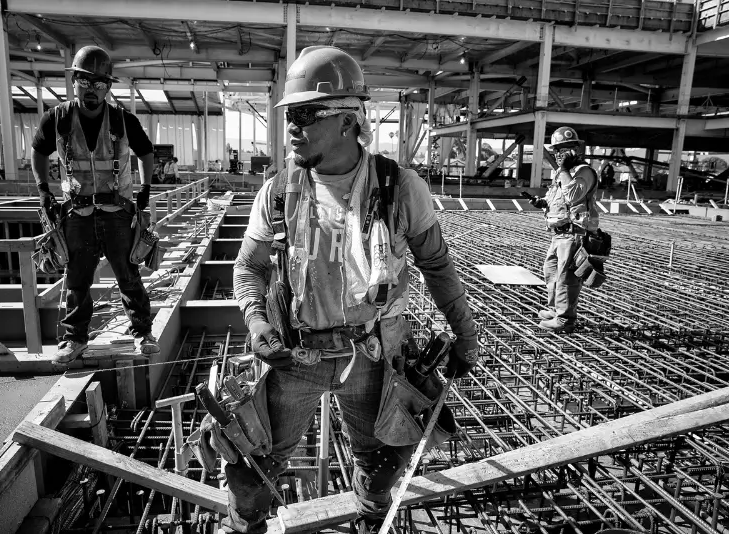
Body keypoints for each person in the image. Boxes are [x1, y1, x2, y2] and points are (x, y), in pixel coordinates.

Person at [230, 46, 479, 534]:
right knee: (249, 468)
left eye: (305, 115)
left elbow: (437, 265)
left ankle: (370, 521)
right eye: (289, 116)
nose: (292, 129)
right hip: (296, 355)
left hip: (371, 353)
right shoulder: (279, 191)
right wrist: (257, 321)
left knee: (380, 464)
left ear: (348, 119)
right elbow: (248, 268)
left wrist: (465, 334)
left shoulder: (399, 188)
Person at [31, 45, 160, 363]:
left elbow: (145, 152)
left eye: (100, 83)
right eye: (86, 82)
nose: (92, 90)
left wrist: (145, 190)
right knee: (77, 278)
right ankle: (74, 339)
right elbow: (38, 152)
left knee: (128, 275)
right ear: (74, 80)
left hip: (117, 212)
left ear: (108, 86)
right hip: (77, 213)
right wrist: (43, 191)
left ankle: (143, 333)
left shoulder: (122, 120)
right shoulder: (57, 119)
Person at [528, 126, 600, 333]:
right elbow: (558, 199)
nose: (561, 153)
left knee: (567, 278)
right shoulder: (562, 173)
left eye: (566, 149)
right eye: (558, 150)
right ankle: (555, 309)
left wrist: (565, 170)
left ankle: (565, 319)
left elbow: (573, 196)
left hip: (575, 233)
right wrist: (543, 203)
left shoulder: (583, 171)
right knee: (551, 272)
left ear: (576, 149)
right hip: (559, 233)